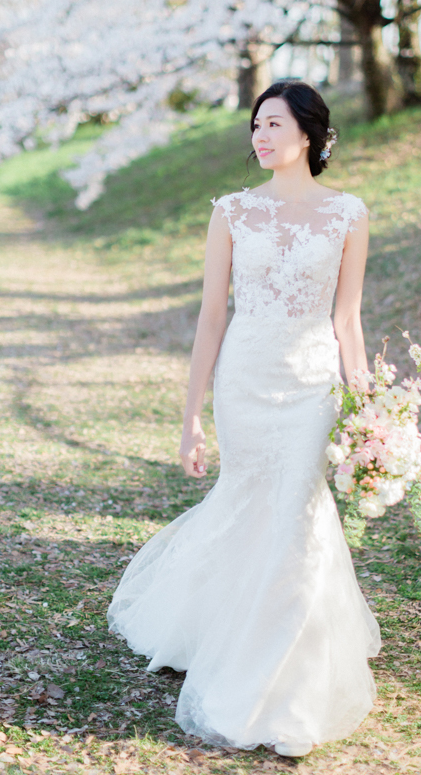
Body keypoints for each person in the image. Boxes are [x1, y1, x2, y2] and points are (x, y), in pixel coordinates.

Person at [107, 80, 381, 757]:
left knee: (298, 512)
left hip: (312, 384)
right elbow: (209, 318)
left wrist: (368, 404)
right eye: (255, 125)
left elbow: (347, 318)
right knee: (251, 502)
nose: (260, 136)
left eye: (273, 124)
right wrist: (190, 416)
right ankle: (222, 629)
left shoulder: (348, 214)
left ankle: (285, 677)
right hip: (245, 380)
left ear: (309, 135)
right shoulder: (231, 212)